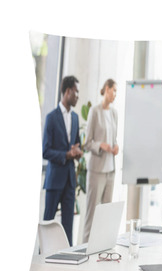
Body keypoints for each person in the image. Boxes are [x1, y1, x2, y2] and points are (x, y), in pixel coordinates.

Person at [42, 75, 83, 246]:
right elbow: (45, 151)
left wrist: (78, 152)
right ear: (67, 92)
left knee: (68, 227)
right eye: (76, 92)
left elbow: (77, 144)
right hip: (54, 180)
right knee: (47, 223)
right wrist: (67, 154)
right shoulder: (51, 117)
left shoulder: (75, 118)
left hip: (69, 180)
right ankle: (41, 266)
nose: (77, 96)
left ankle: (67, 267)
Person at [83, 79, 119, 243]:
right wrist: (101, 145)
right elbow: (87, 143)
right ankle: (84, 250)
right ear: (106, 89)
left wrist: (115, 146)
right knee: (92, 215)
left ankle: (102, 252)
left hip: (110, 170)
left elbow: (114, 138)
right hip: (97, 171)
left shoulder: (114, 113)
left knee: (106, 217)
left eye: (116, 92)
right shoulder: (94, 111)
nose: (115, 94)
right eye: (113, 90)